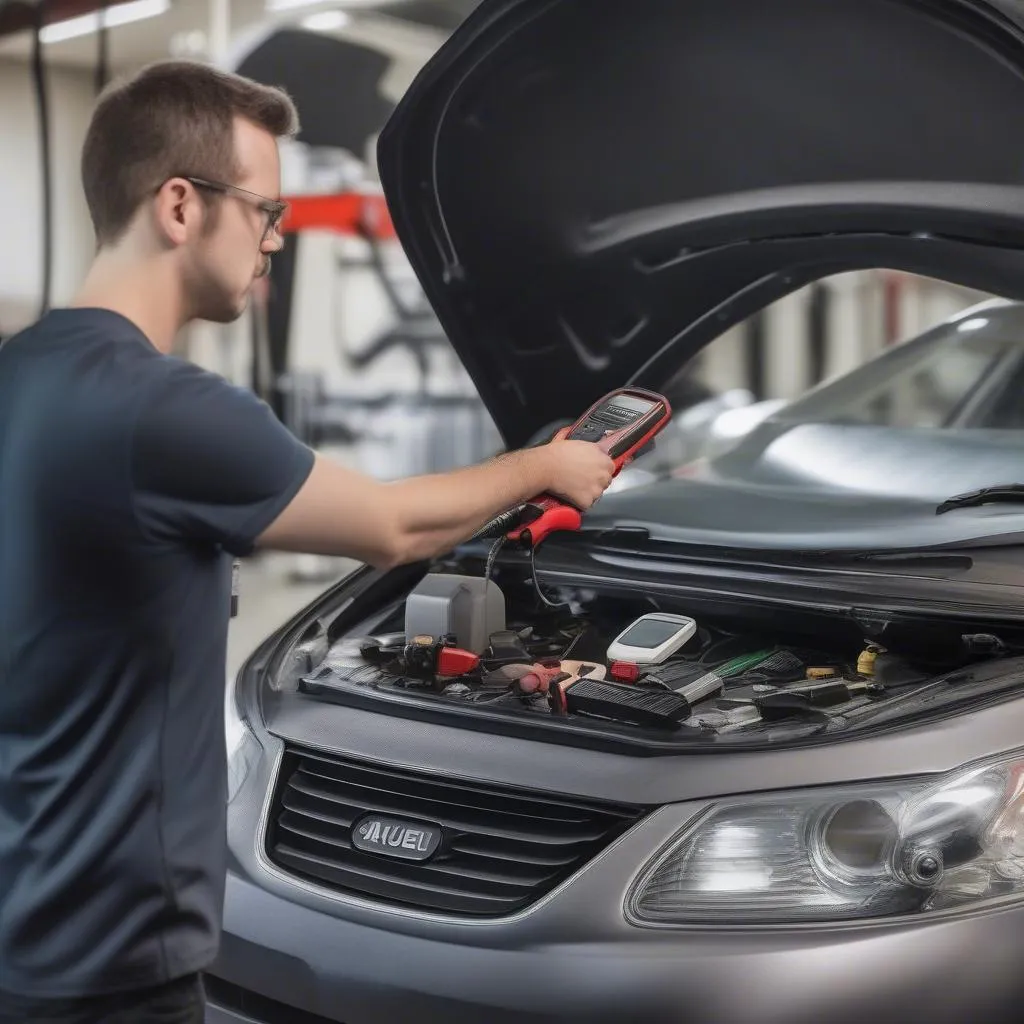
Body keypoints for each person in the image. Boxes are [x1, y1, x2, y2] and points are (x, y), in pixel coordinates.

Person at [0, 60, 615, 1023]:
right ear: (178, 205)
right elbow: (390, 528)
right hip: (110, 953)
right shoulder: (162, 409)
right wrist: (547, 467)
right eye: (264, 209)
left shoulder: (23, 373)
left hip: (24, 910)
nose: (276, 239)